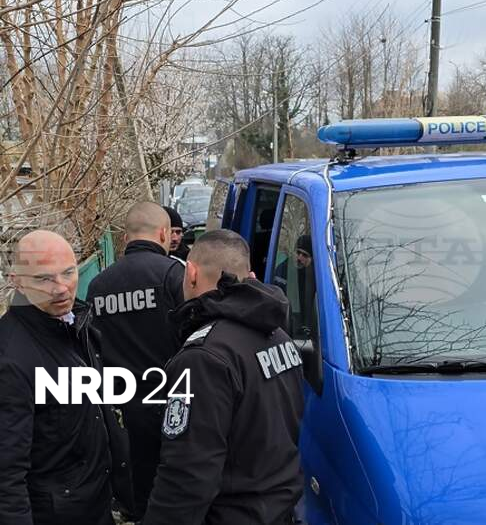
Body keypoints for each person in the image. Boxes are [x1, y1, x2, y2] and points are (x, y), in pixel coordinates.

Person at [143, 229, 304, 525]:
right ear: (251, 277)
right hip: (279, 510)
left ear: (191, 274)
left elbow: (187, 475)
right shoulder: (279, 336)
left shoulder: (203, 357)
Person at [0, 230, 131, 525]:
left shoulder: (76, 324)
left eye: (69, 272)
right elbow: (6, 473)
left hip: (96, 505)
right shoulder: (10, 359)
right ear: (16, 280)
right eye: (44, 279)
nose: (60, 288)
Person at [86, 201, 185, 520]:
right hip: (174, 402)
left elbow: (93, 347)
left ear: (125, 238)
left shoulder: (98, 286)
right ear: (163, 233)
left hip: (124, 411)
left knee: (140, 490)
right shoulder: (174, 275)